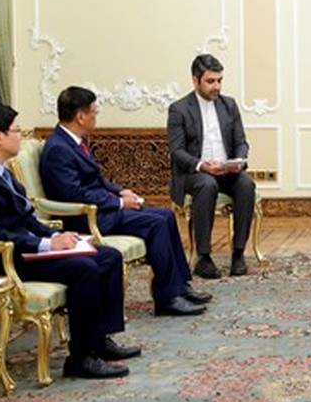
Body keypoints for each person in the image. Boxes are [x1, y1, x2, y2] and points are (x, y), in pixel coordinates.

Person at [0, 102, 138, 379]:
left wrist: (55, 236)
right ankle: (81, 359)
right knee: (83, 268)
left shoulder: (1, 171)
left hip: (23, 250)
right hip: (0, 261)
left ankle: (99, 340)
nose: (20, 136)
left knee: (108, 256)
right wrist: (45, 245)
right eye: (16, 131)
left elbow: (27, 219)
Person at [39, 86, 208, 316]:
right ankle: (167, 298)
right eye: (94, 112)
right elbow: (75, 194)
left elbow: (97, 180)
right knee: (156, 223)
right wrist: (118, 203)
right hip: (86, 219)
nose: (96, 116)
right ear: (80, 116)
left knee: (167, 215)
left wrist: (121, 192)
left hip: (103, 208)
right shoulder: (58, 149)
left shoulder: (75, 141)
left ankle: (179, 286)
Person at [166, 53, 257, 278]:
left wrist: (238, 162)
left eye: (219, 80)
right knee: (207, 185)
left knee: (246, 184)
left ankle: (238, 253)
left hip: (226, 171)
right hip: (195, 173)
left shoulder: (229, 105)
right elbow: (177, 151)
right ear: (195, 80)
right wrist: (202, 165)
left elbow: (241, 142)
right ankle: (203, 257)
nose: (216, 86)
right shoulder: (179, 109)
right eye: (210, 81)